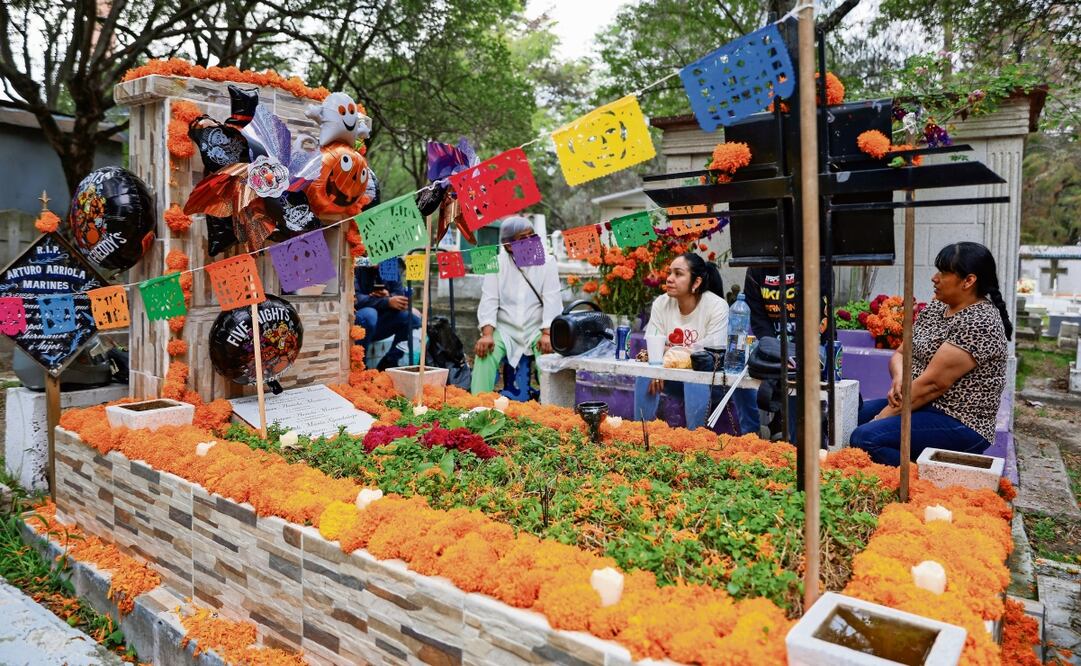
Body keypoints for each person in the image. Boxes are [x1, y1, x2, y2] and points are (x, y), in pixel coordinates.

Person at [850, 242, 1012, 466]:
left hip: (959, 420)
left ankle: (926, 481)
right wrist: (900, 379)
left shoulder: (980, 322)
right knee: (849, 417)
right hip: (920, 403)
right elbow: (901, 354)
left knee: (865, 437)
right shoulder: (938, 307)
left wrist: (881, 417)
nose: (934, 278)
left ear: (968, 281)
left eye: (944, 272)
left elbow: (933, 385)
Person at [634, 253, 728, 430]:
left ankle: (694, 439)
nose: (669, 279)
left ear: (696, 282)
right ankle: (640, 433)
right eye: (670, 273)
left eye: (678, 274)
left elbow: (708, 356)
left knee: (695, 374)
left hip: (711, 381)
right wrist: (659, 366)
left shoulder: (716, 306)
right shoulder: (661, 303)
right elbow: (654, 346)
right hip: (672, 378)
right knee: (645, 373)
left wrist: (666, 354)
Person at [471, 216, 562, 395]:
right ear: (508, 245)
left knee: (550, 355)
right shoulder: (495, 263)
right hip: (505, 330)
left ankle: (552, 406)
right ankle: (477, 405)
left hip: (537, 329)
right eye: (523, 238)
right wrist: (487, 335)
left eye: (532, 236)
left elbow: (552, 299)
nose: (530, 241)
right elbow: (489, 300)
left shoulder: (548, 261)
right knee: (484, 352)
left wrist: (547, 333)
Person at [354, 260, 421, 370]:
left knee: (412, 319)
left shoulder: (389, 265)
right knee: (370, 314)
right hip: (358, 321)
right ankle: (359, 365)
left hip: (381, 322)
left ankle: (390, 363)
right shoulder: (356, 264)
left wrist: (389, 296)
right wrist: (386, 301)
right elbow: (355, 299)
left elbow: (399, 293)